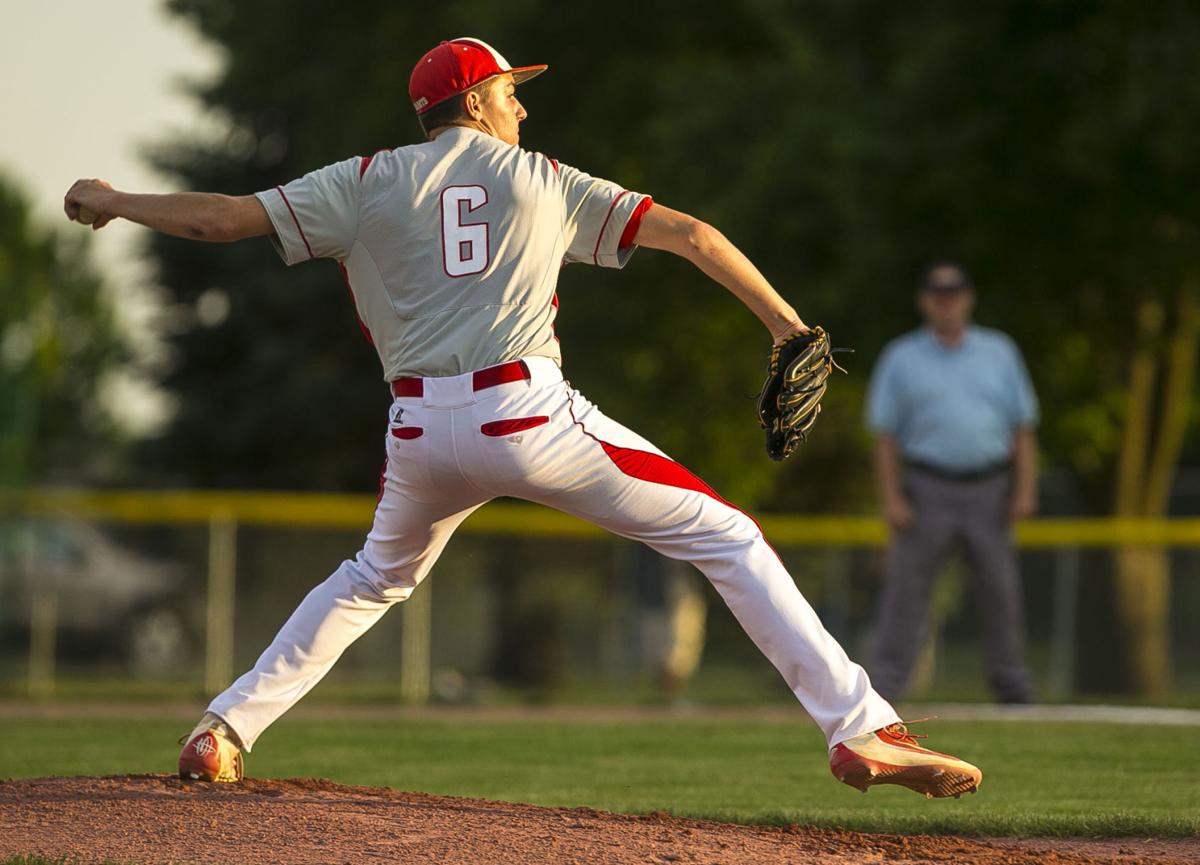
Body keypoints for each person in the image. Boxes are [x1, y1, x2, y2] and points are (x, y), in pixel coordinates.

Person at [64, 37, 981, 798]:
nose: (523, 108)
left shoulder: (365, 178)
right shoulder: (542, 177)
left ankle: (224, 728)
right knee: (729, 534)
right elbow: (693, 235)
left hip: (419, 434)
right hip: (527, 415)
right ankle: (864, 727)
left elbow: (221, 221)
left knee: (372, 577)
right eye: (511, 90)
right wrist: (787, 325)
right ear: (474, 99)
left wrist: (111, 200)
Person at [865, 261, 1038, 704]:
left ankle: (1011, 685)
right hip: (926, 487)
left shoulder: (999, 351)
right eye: (938, 294)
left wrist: (1024, 489)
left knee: (1000, 589)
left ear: (968, 298)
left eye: (954, 293)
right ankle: (884, 688)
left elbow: (1022, 427)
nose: (946, 303)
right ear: (925, 301)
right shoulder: (901, 356)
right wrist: (891, 497)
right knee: (907, 591)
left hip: (989, 487)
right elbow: (885, 435)